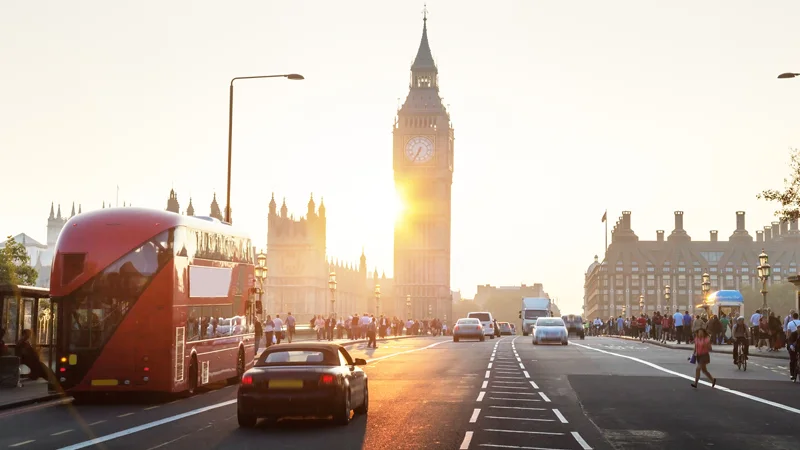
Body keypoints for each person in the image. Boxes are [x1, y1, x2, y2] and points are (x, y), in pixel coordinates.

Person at [786, 312, 800, 382]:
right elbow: (790, 339)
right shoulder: (794, 334)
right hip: (794, 347)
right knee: (793, 360)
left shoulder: (790, 323)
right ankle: (792, 374)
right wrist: (790, 345)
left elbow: (788, 333)